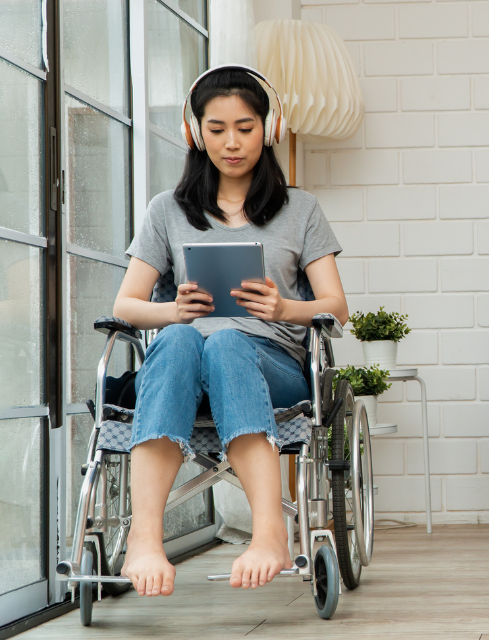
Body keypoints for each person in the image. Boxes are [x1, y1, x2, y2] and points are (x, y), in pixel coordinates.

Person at [112, 65, 347, 598]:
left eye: (245, 127)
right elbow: (125, 303)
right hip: (185, 358)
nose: (232, 142)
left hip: (272, 365)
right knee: (180, 339)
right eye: (216, 129)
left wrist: (283, 306)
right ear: (197, 133)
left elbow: (336, 306)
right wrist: (173, 310)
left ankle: (269, 532)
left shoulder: (302, 209)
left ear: (269, 128)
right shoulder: (166, 212)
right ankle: (145, 537)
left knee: (228, 342)